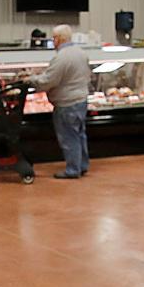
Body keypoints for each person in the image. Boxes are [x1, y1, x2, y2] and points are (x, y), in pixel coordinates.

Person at [30, 24, 90, 179]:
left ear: (59, 39)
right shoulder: (81, 53)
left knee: (69, 137)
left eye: (54, 38)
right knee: (79, 135)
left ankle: (72, 170)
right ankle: (82, 165)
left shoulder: (62, 57)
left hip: (67, 103)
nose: (53, 41)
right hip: (81, 100)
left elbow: (48, 81)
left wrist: (30, 80)